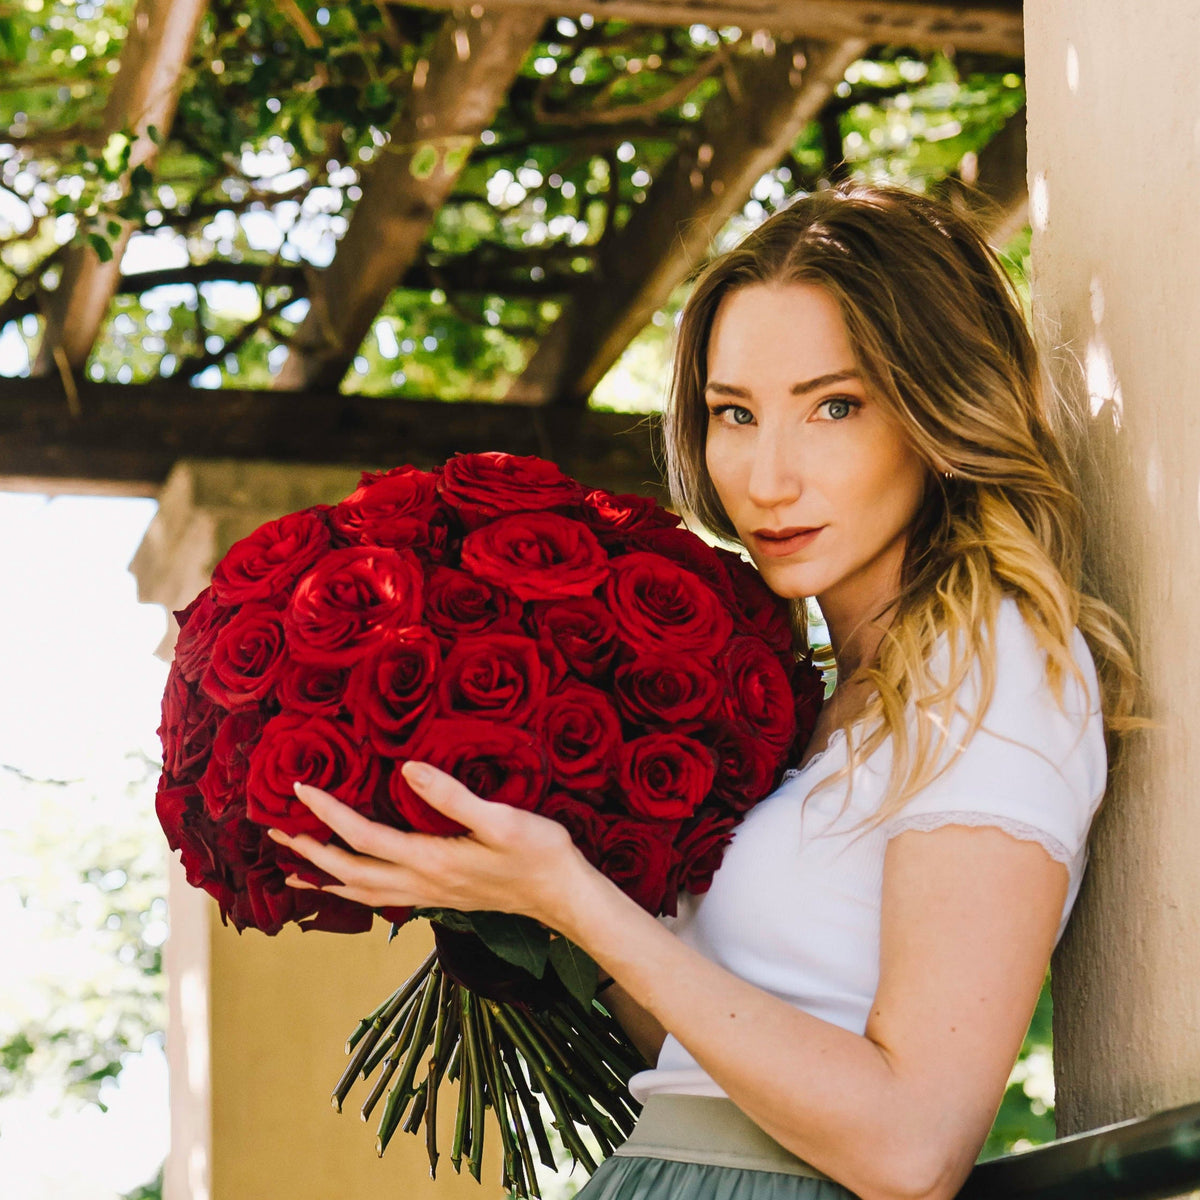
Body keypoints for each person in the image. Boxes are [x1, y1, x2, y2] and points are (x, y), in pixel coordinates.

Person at [267, 180, 1142, 1200]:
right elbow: (695, 1042)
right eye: (734, 413)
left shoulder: (994, 669)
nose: (768, 475)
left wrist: (576, 899)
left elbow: (915, 1148)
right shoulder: (804, 696)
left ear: (939, 408)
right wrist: (511, 892)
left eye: (836, 406)